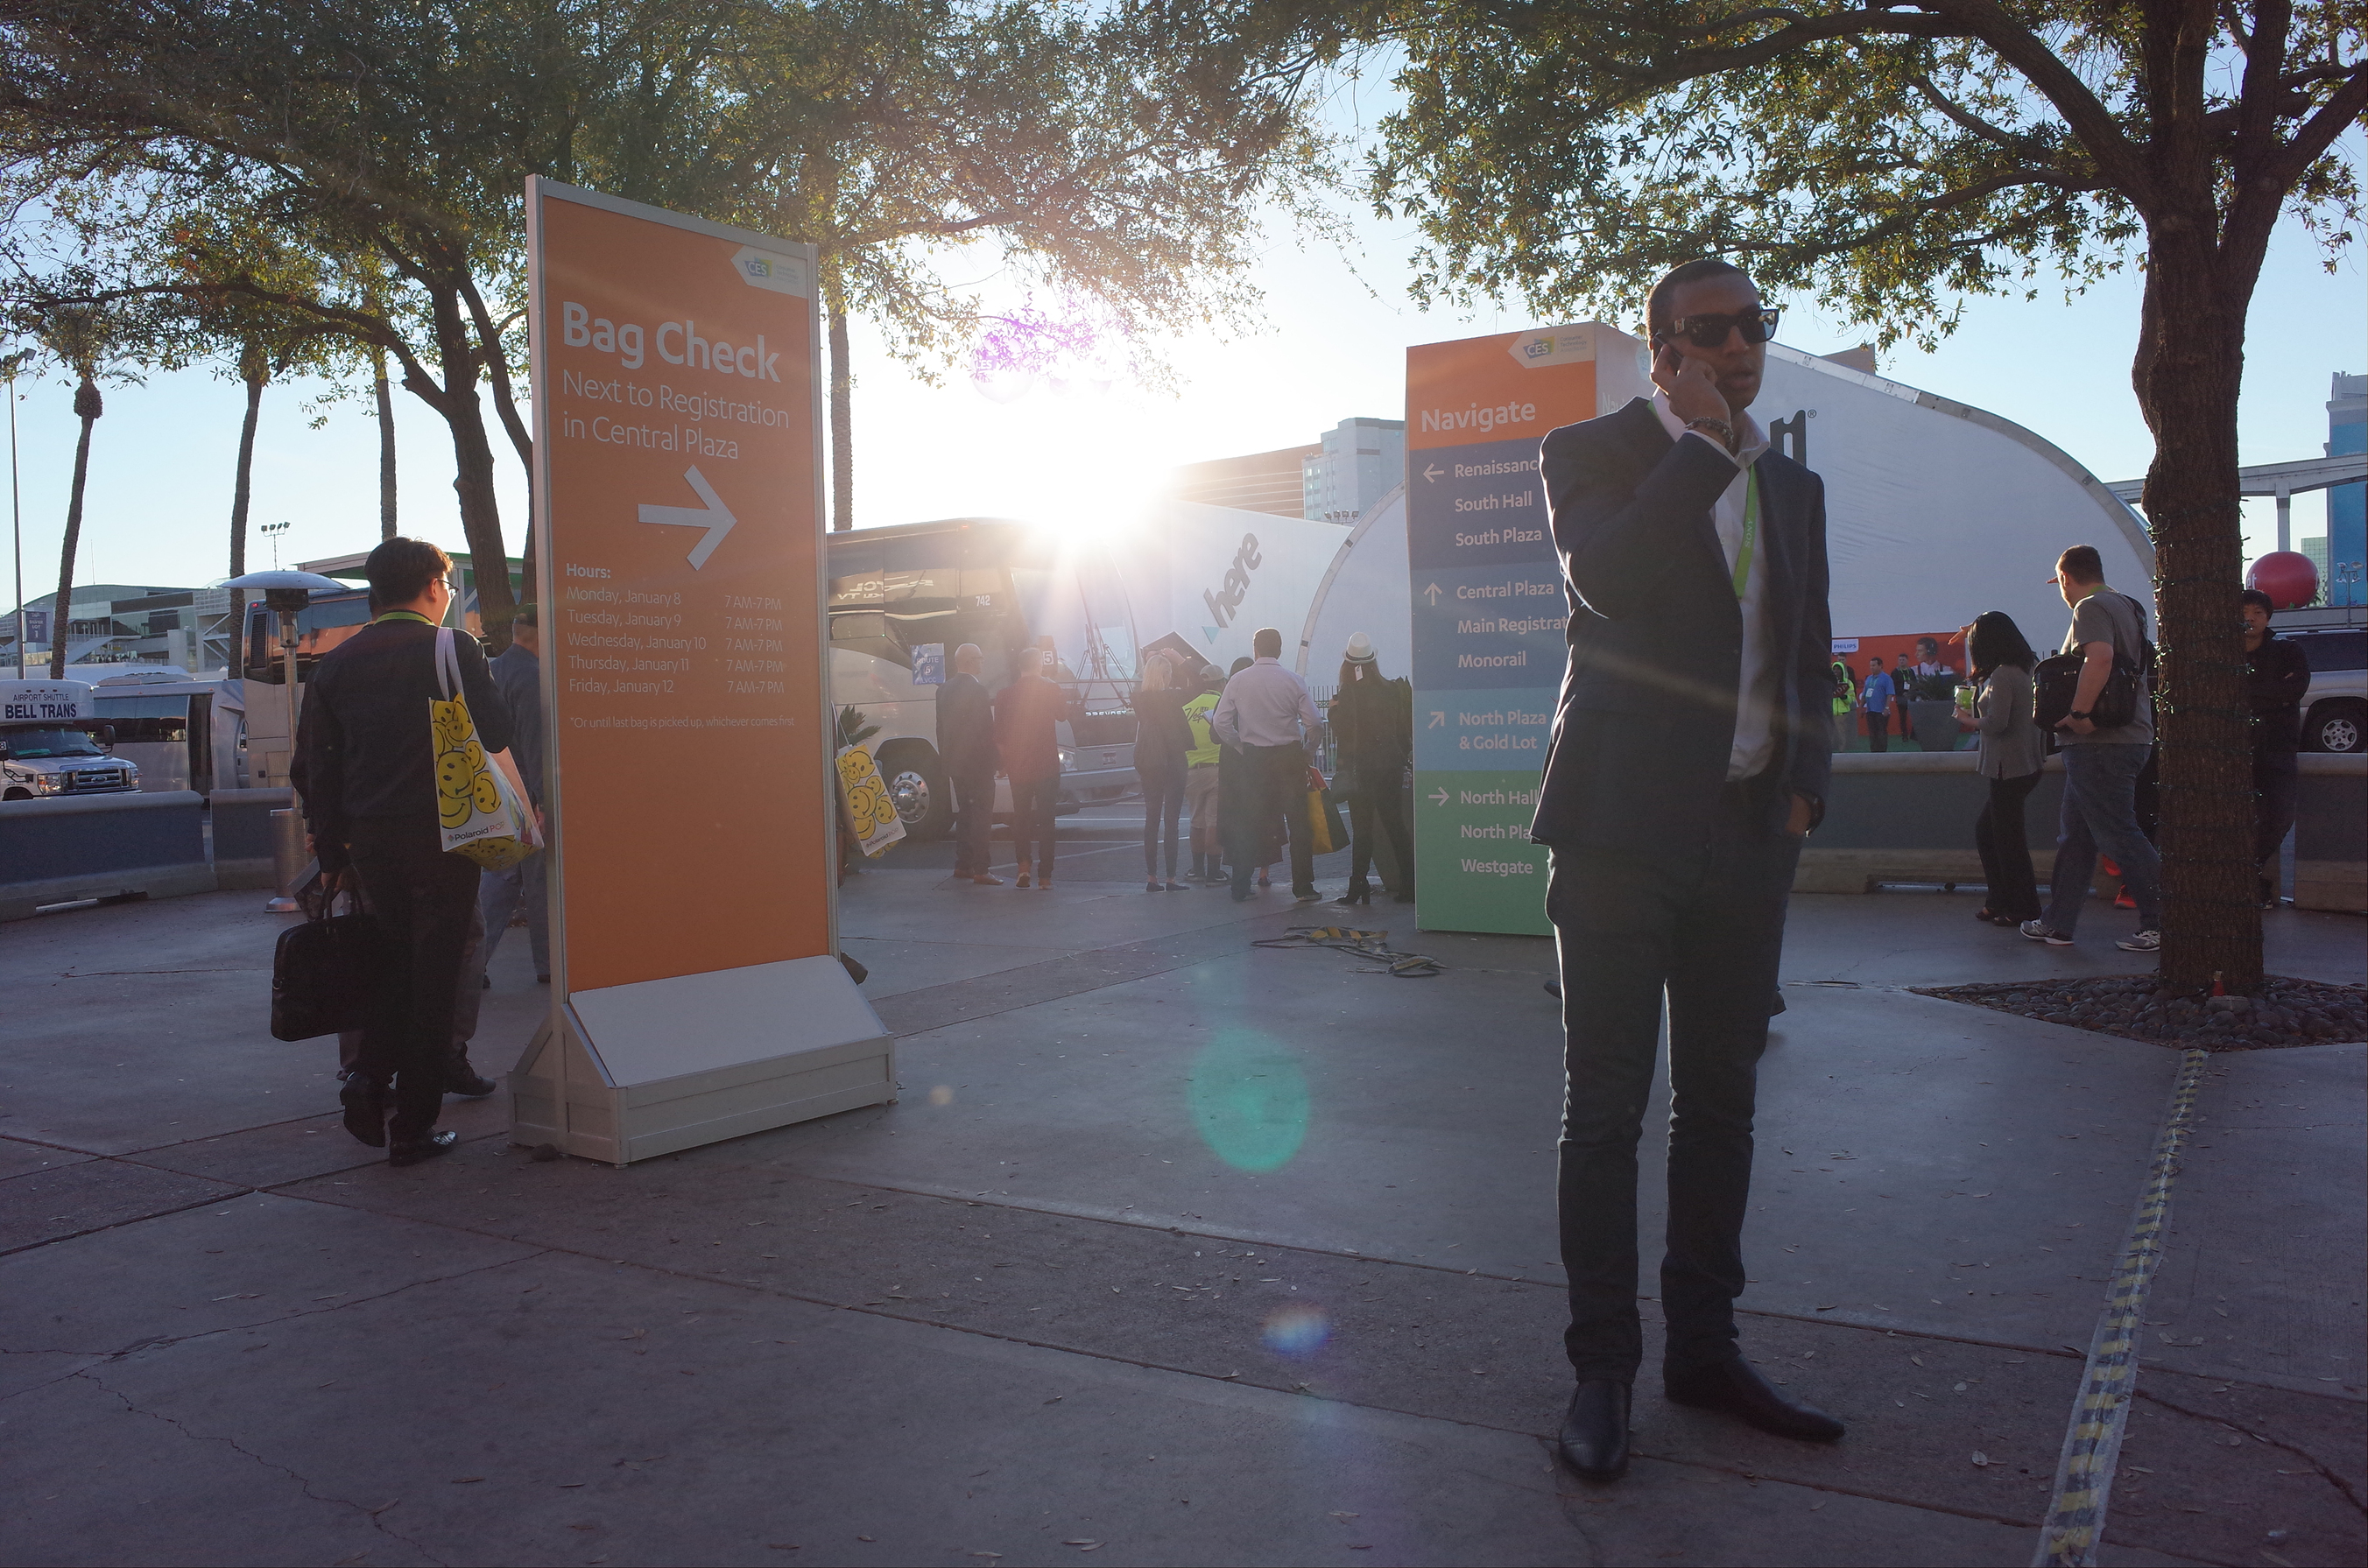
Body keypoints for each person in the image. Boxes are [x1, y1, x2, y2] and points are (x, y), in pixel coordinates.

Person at [1531, 258, 1843, 1482]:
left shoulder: (1795, 486)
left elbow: (1804, 645)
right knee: (1604, 1108)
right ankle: (1602, 1367)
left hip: (1747, 835)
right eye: (1710, 330)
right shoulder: (1592, 451)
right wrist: (1702, 446)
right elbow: (1607, 579)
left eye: (1752, 327)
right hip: (1617, 829)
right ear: (1661, 349)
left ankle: (1704, 1351)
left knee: (1722, 1106)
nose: (1738, 347)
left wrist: (1803, 784)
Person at [295, 538, 516, 1167]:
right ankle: (413, 1127)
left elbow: (313, 767)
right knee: (436, 977)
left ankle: (368, 1077)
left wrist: (333, 852)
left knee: (395, 963)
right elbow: (497, 730)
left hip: (369, 841)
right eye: (446, 586)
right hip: (446, 833)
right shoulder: (453, 648)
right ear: (433, 587)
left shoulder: (336, 665)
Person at [2022, 545, 2161, 951]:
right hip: (2123, 737)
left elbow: (2098, 659)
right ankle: (2058, 923)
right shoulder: (2127, 605)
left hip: (2101, 743)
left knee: (2120, 833)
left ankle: (2164, 922)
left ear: (2065, 578)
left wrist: (2079, 714)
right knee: (2077, 836)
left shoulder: (2090, 607)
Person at [1210, 628, 1321, 904]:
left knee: (1249, 822)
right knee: (1298, 823)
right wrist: (1308, 750)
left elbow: (1221, 722)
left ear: (1256, 649)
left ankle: (1240, 885)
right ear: (1280, 650)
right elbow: (1314, 723)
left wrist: (1240, 745)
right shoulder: (1294, 681)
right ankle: (1303, 886)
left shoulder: (1238, 680)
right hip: (1289, 758)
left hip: (1254, 758)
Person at [477, 602, 548, 984]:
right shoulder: (533, 677)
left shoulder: (494, 670)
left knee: (501, 878)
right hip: (526, 794)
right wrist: (543, 801)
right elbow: (537, 745)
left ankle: (472, 962)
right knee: (539, 882)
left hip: (496, 789)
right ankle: (550, 964)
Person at [1961, 611, 2044, 926]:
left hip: (2006, 766)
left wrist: (1967, 720)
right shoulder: (2026, 666)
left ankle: (2021, 906)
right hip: (2025, 762)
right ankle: (2001, 900)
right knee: (1993, 834)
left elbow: (1997, 723)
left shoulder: (2002, 675)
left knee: (2005, 840)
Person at [1328, 632, 1414, 905]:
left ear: (1348, 663)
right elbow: (1402, 731)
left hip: (1361, 769)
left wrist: (1333, 711)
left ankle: (1358, 885)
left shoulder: (1349, 693)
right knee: (1395, 826)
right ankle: (1410, 884)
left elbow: (1344, 732)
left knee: (1363, 830)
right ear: (1372, 661)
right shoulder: (1391, 690)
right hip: (1390, 766)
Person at [2241, 587, 2310, 908]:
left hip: (2278, 746)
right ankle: (2248, 882)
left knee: (2281, 813)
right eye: (2244, 612)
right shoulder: (2221, 655)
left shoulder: (2288, 650)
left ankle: (2248, 870)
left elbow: (2295, 689)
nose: (2250, 619)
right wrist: (2273, 692)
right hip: (2234, 749)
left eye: (2258, 612)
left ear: (2268, 617)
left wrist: (2247, 693)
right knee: (2232, 817)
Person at [995, 645, 1064, 889]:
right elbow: (1063, 714)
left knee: (1021, 819)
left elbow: (999, 735)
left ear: (1019, 667)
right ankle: (1045, 877)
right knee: (1047, 821)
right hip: (1046, 766)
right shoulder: (1051, 689)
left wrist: (1005, 764)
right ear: (1039, 665)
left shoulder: (1004, 695)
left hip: (1019, 767)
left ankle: (1023, 868)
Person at [936, 643, 1002, 885]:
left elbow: (940, 729)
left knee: (964, 813)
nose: (982, 662)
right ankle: (981, 869)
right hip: (978, 764)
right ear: (970, 661)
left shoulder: (943, 690)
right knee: (982, 816)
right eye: (980, 658)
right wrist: (997, 761)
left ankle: (962, 865)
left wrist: (946, 760)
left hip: (955, 764)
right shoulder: (978, 690)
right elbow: (986, 730)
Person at [1133, 656, 1193, 890]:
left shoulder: (1139, 699)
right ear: (1165, 675)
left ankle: (1151, 877)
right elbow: (1199, 685)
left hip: (1150, 761)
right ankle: (1171, 878)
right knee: (1171, 820)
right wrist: (1181, 661)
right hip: (1174, 761)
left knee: (1151, 818)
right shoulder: (1172, 698)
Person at [1180, 665, 1227, 882]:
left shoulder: (1186, 709)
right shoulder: (1223, 706)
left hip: (1191, 771)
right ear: (1221, 683)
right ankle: (1214, 872)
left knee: (1196, 821)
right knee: (1214, 822)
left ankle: (1196, 869)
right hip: (1217, 768)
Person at [1860, 656, 1895, 752]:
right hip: (1870, 710)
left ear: (1880, 666)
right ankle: (1873, 752)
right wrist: (1861, 707)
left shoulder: (1887, 678)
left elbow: (1889, 694)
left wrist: (1887, 708)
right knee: (1872, 732)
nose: (1871, 667)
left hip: (1881, 711)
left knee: (1881, 732)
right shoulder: (1869, 678)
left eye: (1874, 665)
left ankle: (1882, 752)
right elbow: (1864, 694)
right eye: (1871, 665)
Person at [1829, 659, 1856, 752]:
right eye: (1834, 669)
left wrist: (1844, 697)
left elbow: (1852, 699)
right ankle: (1830, 751)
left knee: (1841, 733)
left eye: (1838, 669)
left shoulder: (1848, 683)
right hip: (1830, 712)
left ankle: (1842, 751)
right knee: (1830, 734)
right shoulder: (1829, 682)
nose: (1836, 671)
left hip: (1842, 713)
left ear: (1842, 671)